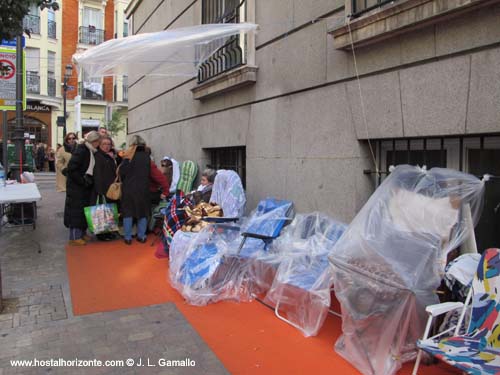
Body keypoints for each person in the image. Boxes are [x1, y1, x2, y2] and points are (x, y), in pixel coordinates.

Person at [63, 131, 101, 246]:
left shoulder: (89, 150)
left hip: (83, 187)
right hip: (77, 187)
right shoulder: (82, 150)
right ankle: (74, 237)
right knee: (76, 211)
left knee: (83, 211)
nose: (98, 144)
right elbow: (72, 169)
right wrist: (82, 181)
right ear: (94, 141)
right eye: (98, 142)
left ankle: (82, 233)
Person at [120, 135, 150, 245]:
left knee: (128, 212)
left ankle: (128, 237)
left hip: (128, 187)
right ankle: (141, 236)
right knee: (142, 212)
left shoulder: (129, 155)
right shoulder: (147, 156)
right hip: (143, 188)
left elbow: (122, 172)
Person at [91, 135, 119, 241]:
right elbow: (97, 174)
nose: (107, 146)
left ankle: (108, 231)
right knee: (101, 212)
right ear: (100, 145)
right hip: (102, 189)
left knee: (108, 211)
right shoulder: (98, 156)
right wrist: (99, 190)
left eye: (108, 144)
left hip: (110, 188)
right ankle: (102, 234)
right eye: (104, 144)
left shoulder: (109, 156)